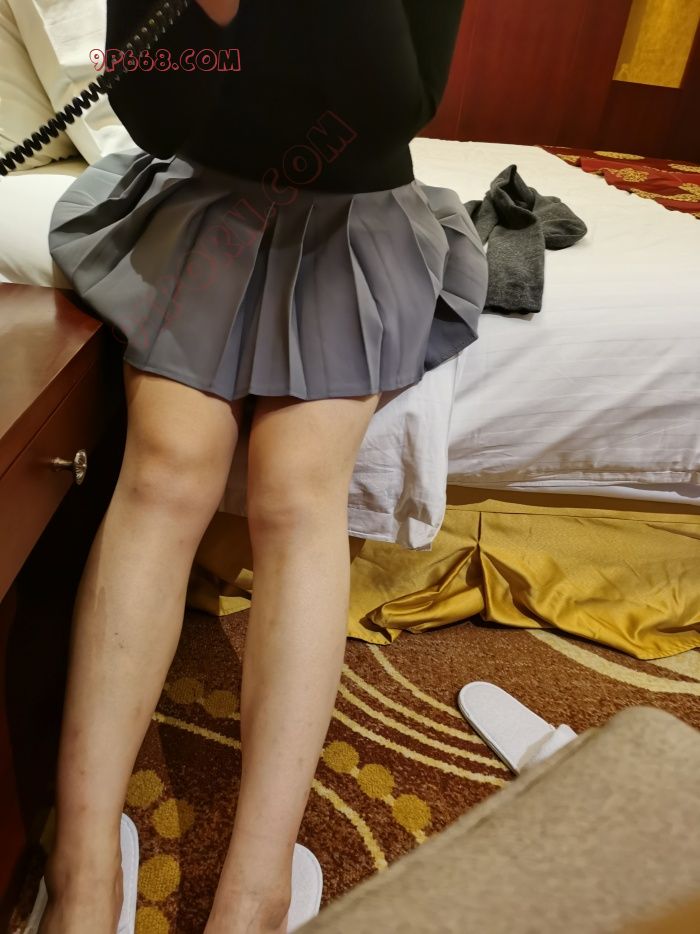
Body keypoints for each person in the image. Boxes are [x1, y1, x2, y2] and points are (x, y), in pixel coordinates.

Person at [42, 1, 487, 932]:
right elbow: (154, 118)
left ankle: (257, 889)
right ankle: (81, 872)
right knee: (165, 471)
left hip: (357, 219)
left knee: (294, 491)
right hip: (211, 201)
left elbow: (389, 111)